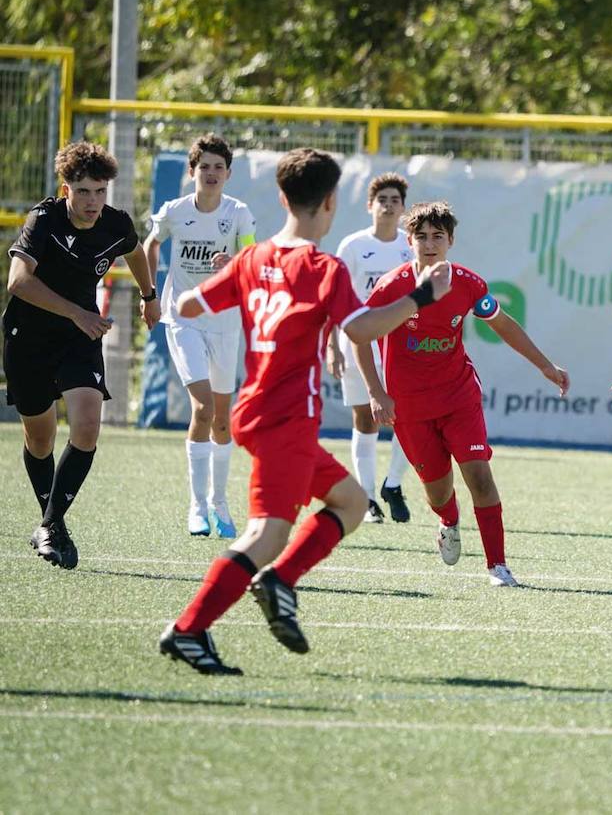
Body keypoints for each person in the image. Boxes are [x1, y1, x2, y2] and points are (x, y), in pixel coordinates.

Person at [158, 149, 452, 675]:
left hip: (259, 409)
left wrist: (233, 285)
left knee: (351, 502)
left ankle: (278, 582)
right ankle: (190, 629)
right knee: (266, 536)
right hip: (285, 417)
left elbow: (184, 307)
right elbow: (360, 329)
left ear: (282, 197)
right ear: (332, 202)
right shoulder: (323, 267)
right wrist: (423, 295)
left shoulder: (254, 259)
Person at [355, 201, 569, 586]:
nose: (430, 243)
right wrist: (375, 391)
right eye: (421, 237)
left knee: (480, 477)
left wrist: (545, 365)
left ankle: (497, 566)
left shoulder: (469, 284)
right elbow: (360, 335)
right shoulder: (392, 287)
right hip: (409, 406)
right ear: (410, 242)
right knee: (438, 491)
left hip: (458, 397)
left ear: (451, 241)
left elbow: (503, 324)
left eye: (438, 236)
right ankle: (448, 521)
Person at [5, 141, 158, 569]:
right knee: (40, 438)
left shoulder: (115, 224)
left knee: (87, 426)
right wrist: (76, 312)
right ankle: (51, 523)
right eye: (84, 191)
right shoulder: (44, 219)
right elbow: (18, 282)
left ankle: (50, 524)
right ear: (66, 188)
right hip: (28, 339)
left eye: (100, 191)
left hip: (80, 337)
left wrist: (150, 296)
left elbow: (135, 250)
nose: (93, 201)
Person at [142, 134, 256, 537]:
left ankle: (221, 505)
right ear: (192, 171)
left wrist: (233, 262)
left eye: (218, 167)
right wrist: (150, 295)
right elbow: (149, 246)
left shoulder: (238, 212)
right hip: (182, 318)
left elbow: (251, 257)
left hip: (224, 322)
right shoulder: (174, 210)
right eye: (203, 166)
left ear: (227, 174)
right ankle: (197, 505)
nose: (210, 174)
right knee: (203, 408)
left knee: (222, 420)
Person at [327, 173, 414, 524]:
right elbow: (336, 298)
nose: (389, 206)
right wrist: (333, 347)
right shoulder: (352, 245)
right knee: (364, 419)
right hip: (357, 342)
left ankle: (392, 484)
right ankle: (366, 498)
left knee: (407, 418)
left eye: (395, 200)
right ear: (370, 206)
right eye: (383, 200)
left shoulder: (411, 246)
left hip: (400, 344)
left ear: (403, 207)